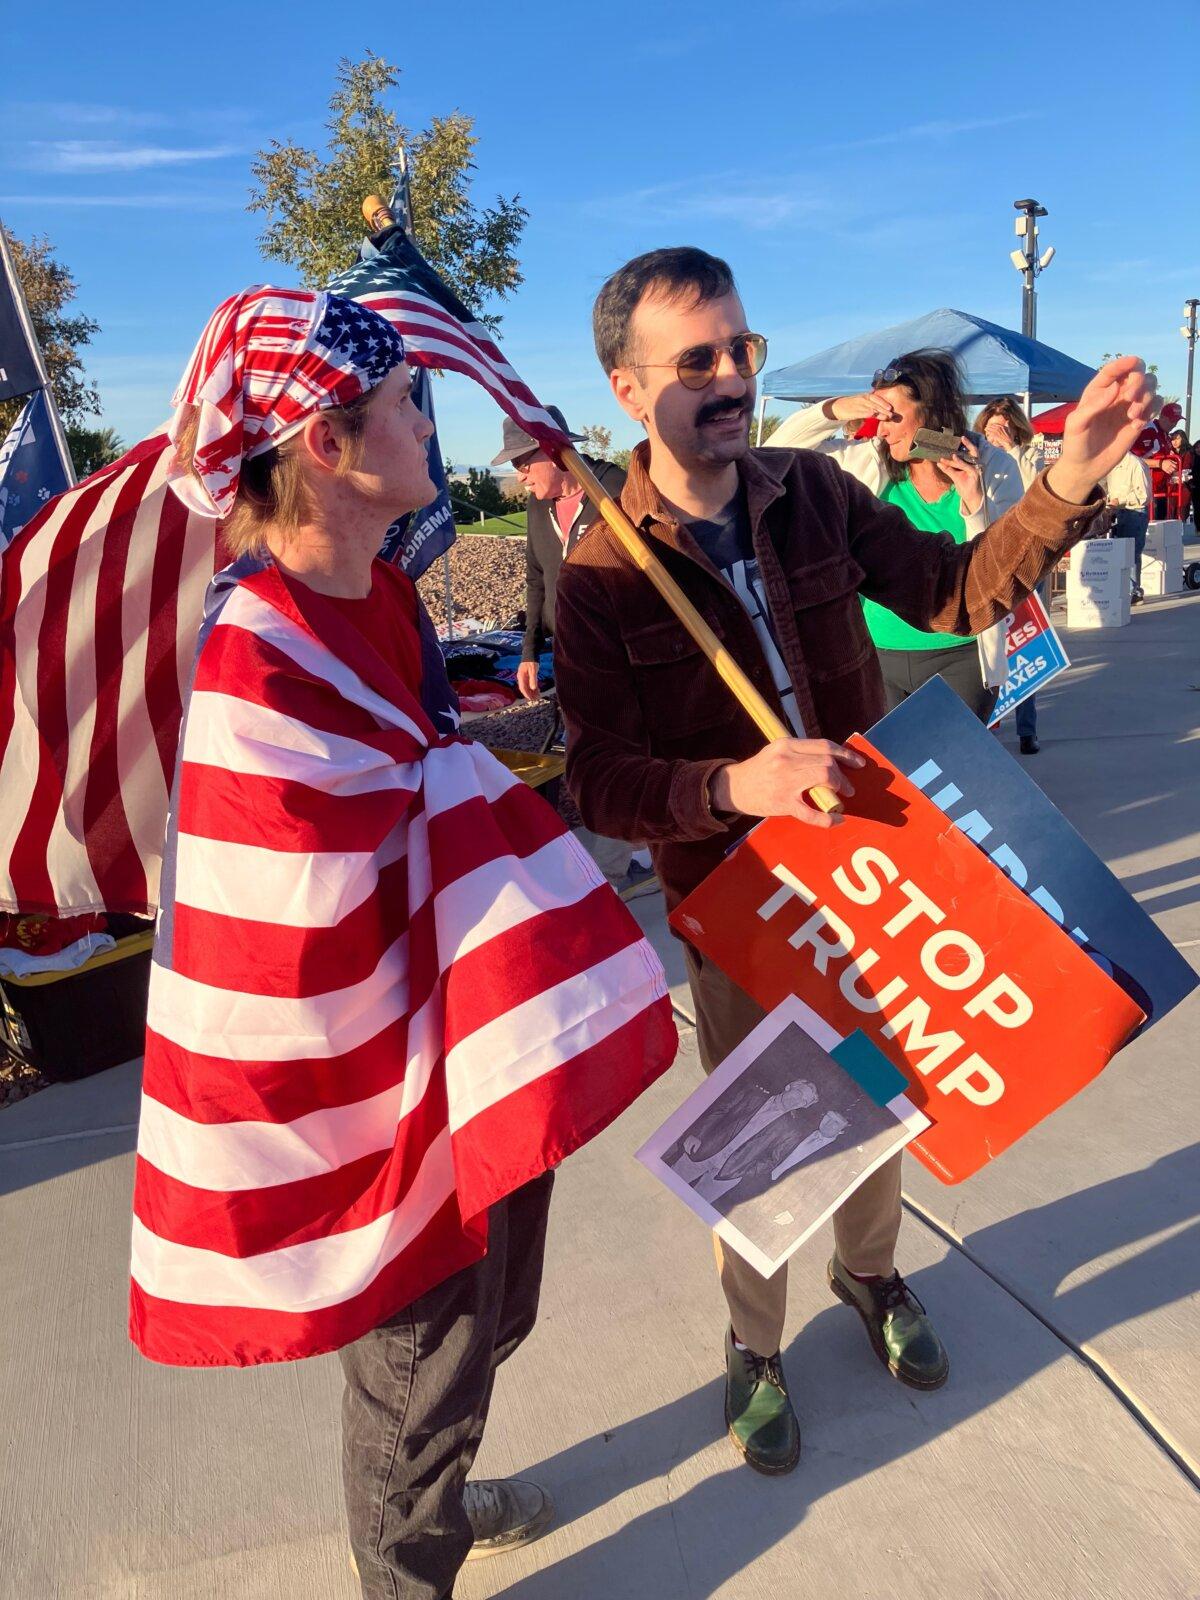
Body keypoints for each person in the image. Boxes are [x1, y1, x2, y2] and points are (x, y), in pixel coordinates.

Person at [552, 245, 1155, 1476]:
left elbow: (951, 594)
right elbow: (597, 781)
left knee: (881, 1106)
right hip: (741, 903)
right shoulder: (607, 574)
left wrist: (1068, 477)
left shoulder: (813, 497)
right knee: (769, 1144)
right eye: (697, 361)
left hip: (879, 871)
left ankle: (872, 1277)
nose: (731, 378)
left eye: (741, 349)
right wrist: (729, 786)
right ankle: (756, 1344)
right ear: (627, 390)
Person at [129, 286, 677, 1600]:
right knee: (417, 1365)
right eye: (408, 401)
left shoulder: (385, 588)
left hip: (467, 1028)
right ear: (326, 440)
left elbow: (424, 761)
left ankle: (436, 1484)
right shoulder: (252, 646)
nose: (433, 423)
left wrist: (520, 751)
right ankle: (410, 1553)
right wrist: (475, 781)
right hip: (372, 1089)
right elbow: (284, 908)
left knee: (496, 1315)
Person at [770, 351, 1021, 725]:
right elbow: (773, 453)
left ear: (931, 412)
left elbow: (1004, 564)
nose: (881, 429)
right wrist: (834, 409)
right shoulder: (867, 460)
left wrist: (975, 504)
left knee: (946, 776)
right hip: (877, 656)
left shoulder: (994, 466)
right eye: (877, 416)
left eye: (892, 415)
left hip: (962, 656)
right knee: (890, 780)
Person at [489, 407, 626, 704]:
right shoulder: (537, 506)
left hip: (623, 657)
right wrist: (530, 652)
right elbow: (535, 579)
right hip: (566, 653)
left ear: (551, 450)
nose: (520, 477)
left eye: (521, 463)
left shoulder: (616, 489)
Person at [976, 396, 1049, 753]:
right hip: (984, 560)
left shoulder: (1029, 456)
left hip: (1025, 561)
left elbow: (1034, 501)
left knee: (1024, 643)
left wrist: (1012, 452)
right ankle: (986, 723)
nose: (995, 433)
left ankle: (1027, 729)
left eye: (1003, 426)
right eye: (989, 426)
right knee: (985, 649)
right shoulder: (975, 457)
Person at [1102, 449, 1152, 600]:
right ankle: (1127, 588)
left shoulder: (1136, 464)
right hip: (1118, 511)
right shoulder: (1111, 465)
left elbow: (1143, 495)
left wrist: (1120, 500)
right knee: (1122, 554)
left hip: (1134, 512)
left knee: (1132, 553)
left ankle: (1133, 591)